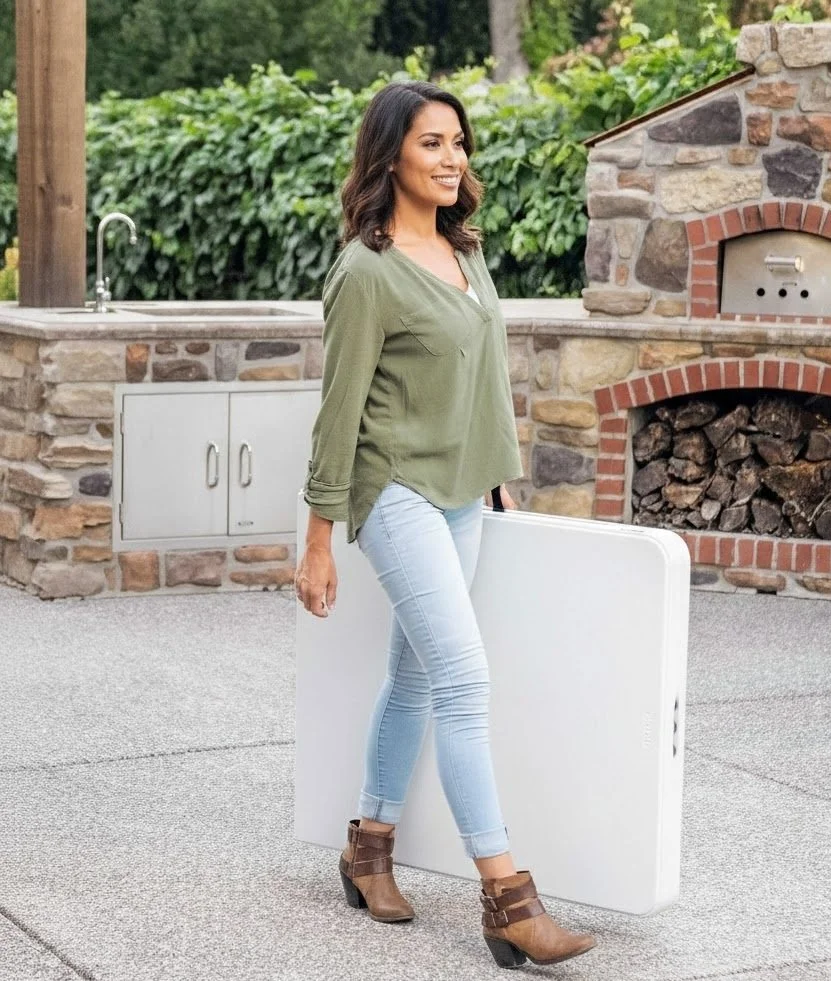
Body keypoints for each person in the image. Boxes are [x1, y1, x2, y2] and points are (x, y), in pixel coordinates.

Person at [294, 80, 596, 969]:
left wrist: (496, 474)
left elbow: (484, 377)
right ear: (390, 155)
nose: (452, 158)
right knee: (464, 678)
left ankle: (369, 847)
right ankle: (507, 897)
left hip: (463, 488)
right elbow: (337, 410)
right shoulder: (366, 270)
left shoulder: (465, 251)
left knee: (418, 677)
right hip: (393, 489)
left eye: (458, 142)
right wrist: (318, 540)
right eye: (432, 143)